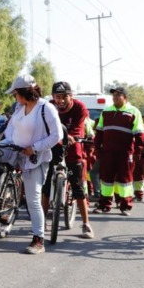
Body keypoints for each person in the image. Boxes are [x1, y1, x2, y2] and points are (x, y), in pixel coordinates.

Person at [0, 74, 62, 254]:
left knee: (33, 200)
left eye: (15, 93)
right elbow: (10, 130)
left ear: (25, 92)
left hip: (36, 157)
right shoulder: (19, 107)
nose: (14, 97)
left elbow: (57, 136)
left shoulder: (46, 108)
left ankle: (38, 239)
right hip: (15, 149)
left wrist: (34, 148)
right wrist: (2, 144)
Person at [41, 81, 94, 239]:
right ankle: (42, 221)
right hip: (54, 147)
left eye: (65, 96)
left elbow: (78, 127)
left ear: (71, 96)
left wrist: (71, 136)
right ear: (53, 97)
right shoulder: (49, 106)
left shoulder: (79, 107)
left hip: (73, 147)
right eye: (58, 97)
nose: (61, 100)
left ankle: (86, 224)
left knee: (78, 187)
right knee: (45, 185)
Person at [93, 86, 144, 216]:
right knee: (106, 179)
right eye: (114, 95)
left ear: (125, 98)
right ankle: (104, 205)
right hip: (107, 152)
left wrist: (138, 151)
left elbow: (140, 134)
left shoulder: (134, 111)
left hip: (125, 153)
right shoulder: (106, 111)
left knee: (125, 180)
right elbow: (99, 131)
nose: (115, 97)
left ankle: (125, 206)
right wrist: (97, 148)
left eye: (118, 95)